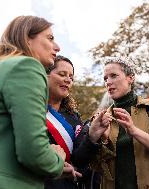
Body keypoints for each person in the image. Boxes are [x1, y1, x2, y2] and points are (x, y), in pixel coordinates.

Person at [0, 16, 68, 189]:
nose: (57, 47)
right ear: (27, 38)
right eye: (50, 38)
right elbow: (33, 152)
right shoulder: (26, 67)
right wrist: (57, 160)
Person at [88, 57, 149, 189]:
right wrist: (103, 140)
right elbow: (96, 166)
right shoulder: (101, 119)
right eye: (105, 78)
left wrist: (134, 131)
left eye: (113, 76)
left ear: (130, 78)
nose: (108, 82)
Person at [45, 55, 100, 189]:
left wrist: (93, 136)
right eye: (62, 74)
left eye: (71, 77)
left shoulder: (73, 117)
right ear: (45, 75)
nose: (68, 80)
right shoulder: (31, 111)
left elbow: (79, 159)